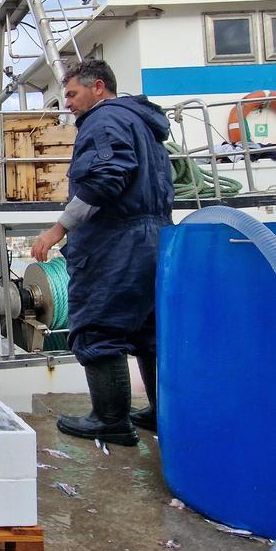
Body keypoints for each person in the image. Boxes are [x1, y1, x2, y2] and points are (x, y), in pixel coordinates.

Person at [29, 59, 173, 446]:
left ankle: (110, 420)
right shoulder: (142, 123)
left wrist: (58, 228)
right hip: (155, 238)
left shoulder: (104, 120)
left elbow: (104, 179)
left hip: (117, 243)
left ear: (97, 87)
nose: (68, 105)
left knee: (98, 326)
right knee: (148, 331)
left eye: (72, 94)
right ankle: (164, 413)